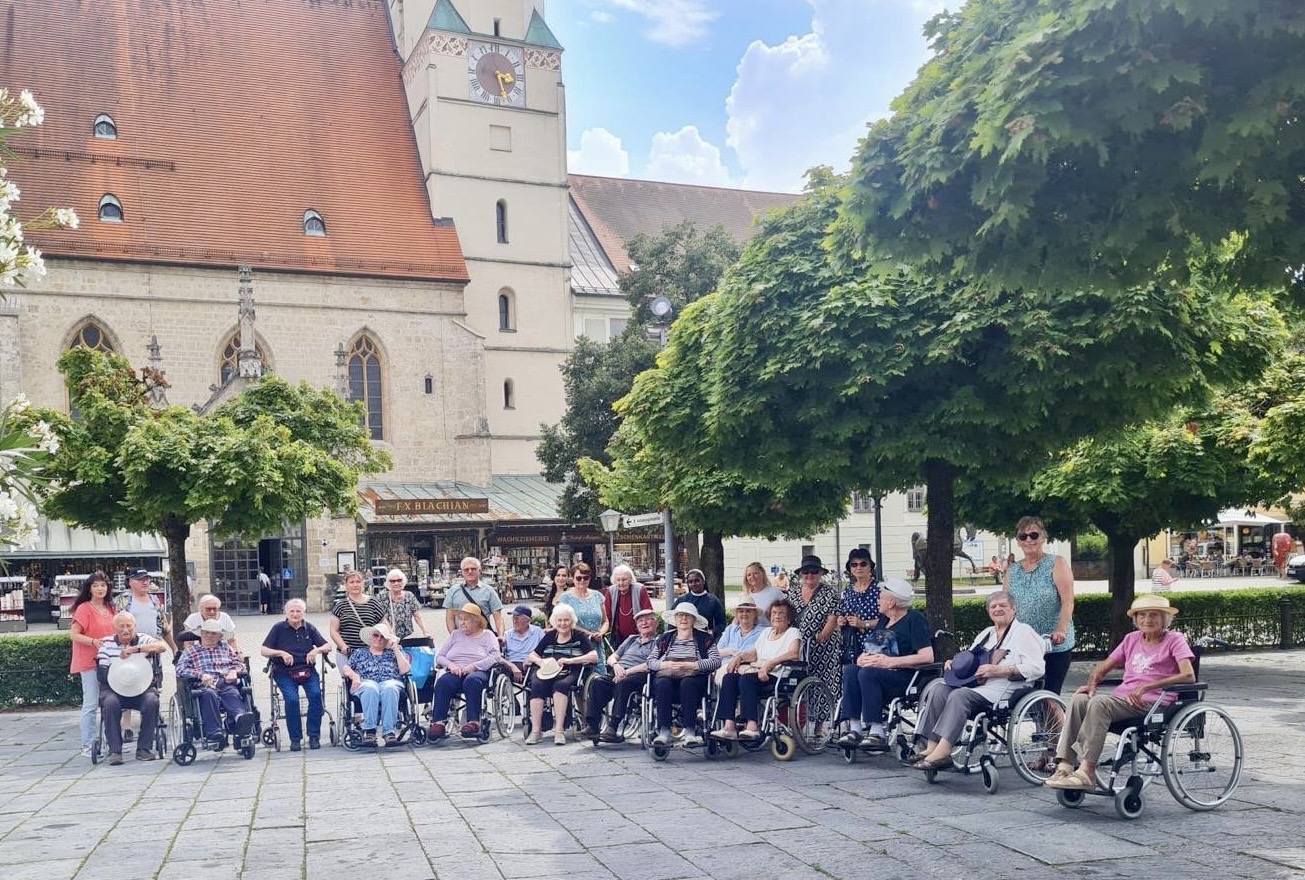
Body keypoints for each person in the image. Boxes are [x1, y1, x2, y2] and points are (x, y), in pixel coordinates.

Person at [1046, 594, 1195, 790]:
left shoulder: (1174, 640)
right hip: (1124, 700)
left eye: (1154, 615)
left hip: (1153, 704)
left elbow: (1188, 676)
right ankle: (1065, 765)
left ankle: (1087, 770)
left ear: (1164, 619)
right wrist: (1092, 684)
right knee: (1080, 699)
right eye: (1142, 615)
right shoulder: (1131, 639)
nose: (1147, 620)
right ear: (1136, 619)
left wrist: (1148, 686)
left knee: (1100, 703)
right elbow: (1103, 667)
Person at [911, 591, 1045, 770]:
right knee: (939, 690)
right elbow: (971, 659)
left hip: (1004, 688)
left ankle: (944, 751)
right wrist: (955, 663)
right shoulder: (986, 634)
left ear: (1013, 609)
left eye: (1003, 606)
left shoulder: (1024, 633)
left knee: (959, 696)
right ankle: (931, 747)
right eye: (993, 606)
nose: (998, 609)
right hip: (977, 685)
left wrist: (1001, 670)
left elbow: (1038, 668)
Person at [835, 578, 934, 751]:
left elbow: (927, 656)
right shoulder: (883, 620)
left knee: (867, 673)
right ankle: (855, 729)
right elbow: (876, 648)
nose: (877, 600)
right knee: (852, 670)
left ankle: (877, 731)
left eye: (881, 597)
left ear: (892, 602)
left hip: (904, 676)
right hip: (878, 674)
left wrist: (891, 662)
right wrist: (862, 658)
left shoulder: (914, 620)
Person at [1005, 517, 1074, 697]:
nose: (1028, 540)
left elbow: (1068, 601)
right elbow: (1006, 605)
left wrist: (1061, 629)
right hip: (1024, 645)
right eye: (1023, 536)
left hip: (1052, 643)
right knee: (1027, 696)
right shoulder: (1012, 570)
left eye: (1034, 535)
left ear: (1043, 537)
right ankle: (1044, 725)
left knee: (1049, 696)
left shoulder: (1056, 563)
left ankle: (1061, 726)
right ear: (1018, 541)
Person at [712, 599, 799, 741]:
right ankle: (729, 726)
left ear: (788, 619)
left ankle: (752, 726)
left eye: (781, 613)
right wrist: (739, 658)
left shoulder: (793, 632)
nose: (776, 616)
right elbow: (753, 653)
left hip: (777, 674)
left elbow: (794, 653)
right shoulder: (767, 633)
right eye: (774, 613)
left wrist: (770, 664)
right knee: (730, 677)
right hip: (758, 672)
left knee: (747, 679)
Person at [260, 598, 332, 751]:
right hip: (284, 672)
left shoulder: (309, 628)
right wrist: (280, 652)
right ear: (286, 613)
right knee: (292, 700)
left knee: (315, 696)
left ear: (303, 613)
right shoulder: (278, 628)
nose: (295, 614)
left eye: (298, 611)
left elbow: (327, 645)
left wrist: (316, 650)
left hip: (307, 670)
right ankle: (295, 739)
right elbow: (264, 650)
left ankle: (313, 735)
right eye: (291, 611)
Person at [114, 568, 175, 744]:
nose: (145, 582)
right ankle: (126, 726)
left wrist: (173, 648)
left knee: (153, 683)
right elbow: (116, 624)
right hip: (129, 648)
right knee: (127, 684)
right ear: (131, 582)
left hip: (152, 649)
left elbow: (164, 627)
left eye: (147, 579)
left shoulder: (155, 600)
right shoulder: (123, 600)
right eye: (140, 579)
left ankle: (149, 717)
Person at [96, 611, 166, 764]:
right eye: (121, 626)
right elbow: (101, 675)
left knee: (152, 700)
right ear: (115, 628)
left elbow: (161, 647)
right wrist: (120, 670)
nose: (125, 630)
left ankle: (144, 748)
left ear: (135, 626)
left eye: (129, 626)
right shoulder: (106, 643)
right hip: (114, 688)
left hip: (141, 687)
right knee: (109, 703)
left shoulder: (143, 639)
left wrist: (136, 650)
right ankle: (115, 751)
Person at [648, 602, 721, 747]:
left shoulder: (705, 639)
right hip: (668, 677)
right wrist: (665, 665)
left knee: (688, 683)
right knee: (662, 683)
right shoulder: (665, 638)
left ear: (694, 620)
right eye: (680, 615)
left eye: (687, 616)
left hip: (694, 679)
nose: (683, 619)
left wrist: (693, 665)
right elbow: (650, 661)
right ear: (675, 619)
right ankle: (664, 731)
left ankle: (690, 731)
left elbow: (716, 661)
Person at [176, 619, 257, 749]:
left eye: (214, 633)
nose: (209, 635)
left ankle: (240, 720)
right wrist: (200, 675)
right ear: (201, 633)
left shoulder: (226, 647)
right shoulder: (191, 651)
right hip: (204, 684)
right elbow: (180, 669)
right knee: (209, 695)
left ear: (220, 636)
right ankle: (214, 732)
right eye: (206, 632)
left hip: (225, 681)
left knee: (232, 692)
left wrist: (233, 671)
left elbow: (239, 664)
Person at [584, 608, 660, 743]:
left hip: (641, 674)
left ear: (656, 623)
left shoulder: (660, 641)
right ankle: (592, 726)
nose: (644, 623)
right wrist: (616, 665)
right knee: (598, 682)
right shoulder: (632, 639)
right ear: (637, 626)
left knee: (623, 683)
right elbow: (612, 657)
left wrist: (626, 672)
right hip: (618, 671)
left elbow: (653, 663)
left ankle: (613, 728)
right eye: (640, 621)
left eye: (648, 619)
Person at [429, 603, 503, 740]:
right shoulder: (455, 635)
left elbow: (495, 657)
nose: (461, 622)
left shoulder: (488, 636)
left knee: (472, 681)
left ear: (476, 621)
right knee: (443, 682)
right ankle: (438, 722)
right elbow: (440, 656)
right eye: (460, 619)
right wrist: (451, 665)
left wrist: (474, 666)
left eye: (466, 619)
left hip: (479, 672)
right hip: (456, 671)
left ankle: (473, 722)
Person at [525, 605, 597, 745]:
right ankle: (536, 731)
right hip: (549, 670)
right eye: (559, 620)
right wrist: (541, 662)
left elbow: (594, 657)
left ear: (572, 621)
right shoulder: (550, 635)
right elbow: (532, 655)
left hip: (571, 670)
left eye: (566, 620)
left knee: (561, 685)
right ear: (554, 621)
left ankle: (559, 731)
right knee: (536, 684)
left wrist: (571, 660)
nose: (563, 624)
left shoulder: (579, 636)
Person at [69, 571, 118, 757]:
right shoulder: (84, 608)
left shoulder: (112, 608)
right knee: (90, 703)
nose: (100, 589)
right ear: (89, 588)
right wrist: (93, 642)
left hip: (110, 660)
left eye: (103, 585)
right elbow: (74, 634)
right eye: (96, 585)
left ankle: (108, 741)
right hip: (88, 661)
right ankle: (88, 744)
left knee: (110, 702)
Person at [342, 622, 412, 747]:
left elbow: (405, 670)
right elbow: (346, 668)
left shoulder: (393, 653)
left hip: (391, 681)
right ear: (371, 637)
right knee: (371, 687)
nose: (379, 639)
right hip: (366, 682)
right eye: (376, 635)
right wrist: (355, 677)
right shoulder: (359, 653)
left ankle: (389, 733)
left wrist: (396, 648)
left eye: (383, 637)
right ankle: (370, 731)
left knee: (389, 687)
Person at [787, 554, 841, 703]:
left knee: (822, 684)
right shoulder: (793, 593)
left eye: (814, 572)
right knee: (799, 683)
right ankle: (801, 720)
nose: (809, 575)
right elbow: (786, 616)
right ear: (800, 574)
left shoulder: (830, 593)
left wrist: (822, 637)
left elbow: (833, 619)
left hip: (823, 647)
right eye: (806, 572)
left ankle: (819, 725)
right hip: (798, 646)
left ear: (821, 573)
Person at [560, 562, 610, 673]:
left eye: (585, 577)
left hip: (596, 644)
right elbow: (564, 623)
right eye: (578, 578)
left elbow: (605, 621)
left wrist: (601, 632)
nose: (582, 580)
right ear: (572, 578)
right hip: (576, 645)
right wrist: (588, 633)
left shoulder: (597, 596)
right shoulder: (565, 598)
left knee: (599, 679)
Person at [330, 569, 384, 671]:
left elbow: (384, 625)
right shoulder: (340, 605)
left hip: (370, 651)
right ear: (346, 585)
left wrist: (391, 641)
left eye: (358, 582)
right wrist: (343, 646)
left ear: (363, 584)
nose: (355, 585)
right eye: (352, 582)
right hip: (348, 653)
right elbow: (333, 630)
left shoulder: (373, 602)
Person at [837, 548, 881, 673]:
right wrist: (841, 621)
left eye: (863, 564)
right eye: (854, 564)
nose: (858, 568)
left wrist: (863, 623)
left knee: (867, 678)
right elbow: (841, 614)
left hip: (875, 644)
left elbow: (888, 620)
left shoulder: (879, 589)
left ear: (870, 567)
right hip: (852, 645)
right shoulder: (847, 592)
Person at [445, 557, 505, 643]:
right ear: (462, 572)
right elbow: (449, 618)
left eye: (473, 569)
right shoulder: (453, 591)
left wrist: (500, 636)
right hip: (461, 639)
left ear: (479, 571)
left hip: (483, 639)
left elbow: (498, 617)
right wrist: (454, 636)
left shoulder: (489, 591)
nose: (470, 571)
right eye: (466, 569)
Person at [604, 564, 653, 648]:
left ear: (630, 579)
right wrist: (603, 630)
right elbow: (606, 616)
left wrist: (646, 633)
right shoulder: (610, 591)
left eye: (624, 579)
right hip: (618, 637)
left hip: (639, 636)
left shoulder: (640, 589)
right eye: (618, 580)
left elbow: (648, 613)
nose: (621, 583)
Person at [375, 568, 429, 640]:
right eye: (393, 581)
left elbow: (417, 616)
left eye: (399, 580)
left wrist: (425, 632)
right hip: (388, 638)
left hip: (407, 636)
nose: (396, 583)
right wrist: (390, 635)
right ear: (388, 583)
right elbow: (379, 618)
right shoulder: (382, 597)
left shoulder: (409, 596)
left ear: (403, 581)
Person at [679, 568, 726, 638]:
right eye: (690, 582)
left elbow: (721, 624)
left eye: (697, 581)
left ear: (703, 581)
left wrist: (712, 632)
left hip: (706, 639)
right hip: (684, 638)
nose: (694, 584)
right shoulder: (682, 600)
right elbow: (673, 622)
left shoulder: (713, 601)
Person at [502, 605, 544, 682]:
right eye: (513, 618)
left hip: (531, 664)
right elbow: (497, 656)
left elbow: (545, 651)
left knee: (537, 678)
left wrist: (532, 659)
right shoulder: (507, 634)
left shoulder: (538, 632)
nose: (514, 621)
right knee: (501, 671)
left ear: (527, 620)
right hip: (512, 664)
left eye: (517, 618)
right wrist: (512, 666)